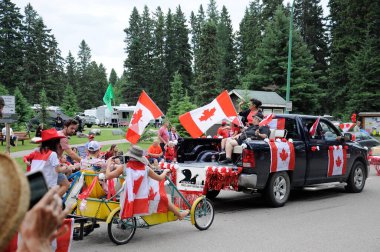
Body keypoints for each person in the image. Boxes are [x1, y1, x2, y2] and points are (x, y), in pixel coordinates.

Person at [105, 145, 189, 219]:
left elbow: (108, 176)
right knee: (164, 198)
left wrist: (108, 163)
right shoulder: (146, 169)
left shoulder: (124, 167)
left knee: (162, 197)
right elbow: (159, 178)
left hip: (128, 194)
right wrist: (165, 171)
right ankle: (180, 215)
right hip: (144, 195)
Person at [30, 128, 72, 196]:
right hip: (47, 182)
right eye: (58, 141)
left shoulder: (36, 150)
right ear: (54, 143)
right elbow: (58, 170)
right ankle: (51, 201)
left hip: (35, 179)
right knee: (66, 185)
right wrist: (65, 167)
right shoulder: (52, 153)